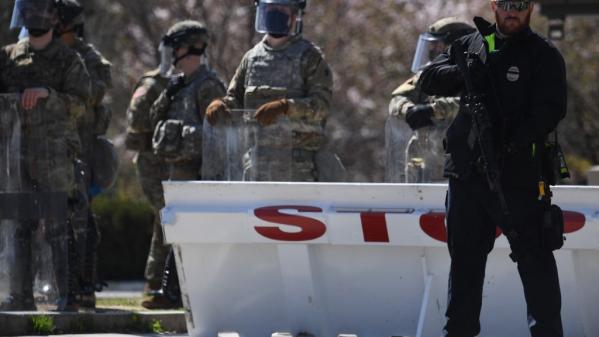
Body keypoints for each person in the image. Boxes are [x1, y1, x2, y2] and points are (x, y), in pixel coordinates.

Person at [419, 1, 567, 336]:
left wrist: (511, 143)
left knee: (536, 261)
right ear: (494, 6)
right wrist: (464, 72)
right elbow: (428, 79)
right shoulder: (470, 44)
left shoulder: (542, 54)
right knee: (465, 265)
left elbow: (551, 109)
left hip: (517, 178)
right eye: (506, 4)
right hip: (468, 176)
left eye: (520, 4)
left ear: (530, 8)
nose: (512, 11)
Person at [0, 0, 91, 311]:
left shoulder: (68, 60)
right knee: (19, 225)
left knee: (57, 227)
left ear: (53, 18)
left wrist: (47, 95)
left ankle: (66, 296)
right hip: (16, 156)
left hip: (54, 156)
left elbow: (81, 104)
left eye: (39, 11)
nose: (32, 16)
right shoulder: (9, 57)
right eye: (28, 11)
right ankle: (20, 294)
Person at [205, 0, 334, 182]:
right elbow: (235, 100)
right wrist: (220, 105)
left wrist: (286, 107)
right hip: (256, 164)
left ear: (294, 16)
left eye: (282, 9)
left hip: (298, 166)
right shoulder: (251, 58)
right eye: (271, 9)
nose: (275, 13)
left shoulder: (310, 57)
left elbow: (322, 106)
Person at [146, 20, 226, 309]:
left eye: (176, 47)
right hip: (177, 176)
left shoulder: (209, 87)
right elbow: (153, 122)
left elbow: (219, 137)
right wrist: (167, 94)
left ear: (187, 48)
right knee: (178, 233)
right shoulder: (178, 85)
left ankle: (179, 294)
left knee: (193, 237)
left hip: (199, 177)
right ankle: (171, 292)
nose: (172, 53)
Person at [54, 0, 114, 310]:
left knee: (81, 216)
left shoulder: (89, 59)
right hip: (53, 146)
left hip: (82, 147)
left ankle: (84, 284)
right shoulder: (49, 53)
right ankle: (63, 284)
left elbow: (93, 94)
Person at [387, 17, 474, 183]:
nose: (432, 50)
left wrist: (435, 109)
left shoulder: (476, 74)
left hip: (460, 170)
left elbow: (470, 104)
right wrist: (408, 109)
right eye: (431, 45)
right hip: (422, 167)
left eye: (438, 45)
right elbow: (397, 98)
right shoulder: (429, 76)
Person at [125, 66, 169, 299]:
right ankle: (155, 282)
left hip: (170, 161)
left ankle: (162, 281)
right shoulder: (153, 85)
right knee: (165, 218)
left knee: (165, 220)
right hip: (151, 162)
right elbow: (136, 119)